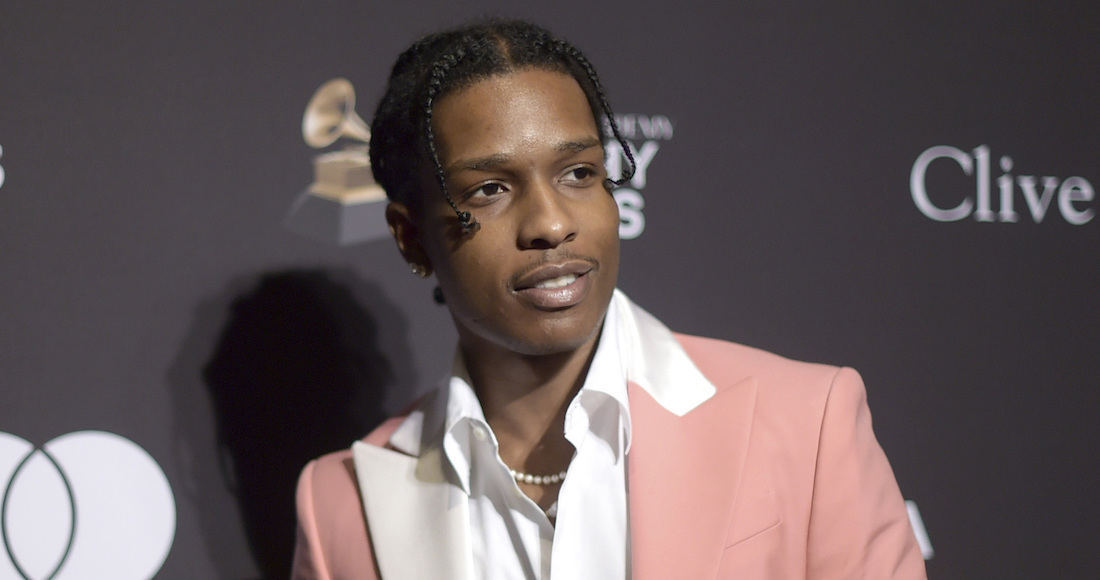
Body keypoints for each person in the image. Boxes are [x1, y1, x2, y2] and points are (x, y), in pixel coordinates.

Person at [291, 19, 927, 580]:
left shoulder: (807, 424)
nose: (551, 223)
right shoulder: (340, 502)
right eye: (489, 189)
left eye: (578, 173)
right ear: (411, 237)